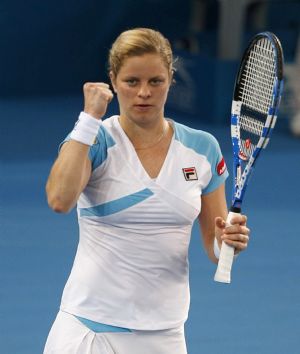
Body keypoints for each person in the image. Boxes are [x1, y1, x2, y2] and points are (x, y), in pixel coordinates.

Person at [43, 28, 250, 354]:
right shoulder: (95, 139)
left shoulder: (202, 148)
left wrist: (228, 244)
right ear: (113, 80)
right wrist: (89, 118)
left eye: (155, 81)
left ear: (170, 78)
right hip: (89, 332)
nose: (144, 93)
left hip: (165, 335)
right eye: (131, 81)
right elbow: (59, 199)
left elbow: (214, 245)